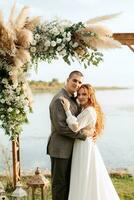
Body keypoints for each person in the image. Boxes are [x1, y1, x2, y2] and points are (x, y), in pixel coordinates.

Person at [60, 84, 120, 200]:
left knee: (84, 174)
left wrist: (67, 110)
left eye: (84, 94)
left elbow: (74, 127)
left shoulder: (89, 111)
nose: (81, 97)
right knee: (85, 174)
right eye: (79, 94)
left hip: (84, 146)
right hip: (82, 144)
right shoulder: (85, 108)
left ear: (90, 96)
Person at [47, 71, 94, 200]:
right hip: (60, 149)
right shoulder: (59, 99)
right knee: (60, 184)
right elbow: (61, 128)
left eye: (80, 82)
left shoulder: (74, 99)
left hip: (71, 149)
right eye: (74, 80)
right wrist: (83, 135)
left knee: (69, 184)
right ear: (67, 80)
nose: (77, 84)